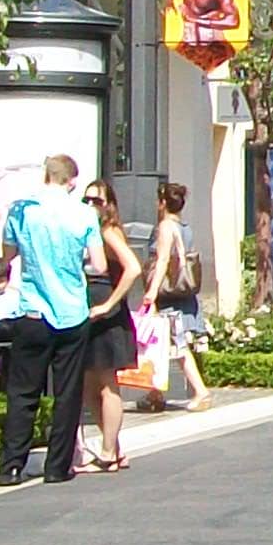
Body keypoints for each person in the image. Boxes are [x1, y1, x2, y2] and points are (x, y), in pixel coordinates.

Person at [0, 154, 99, 486]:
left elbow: (7, 256)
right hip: (72, 311)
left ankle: (11, 466)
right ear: (72, 181)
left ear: (46, 176)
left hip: (33, 309)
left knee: (23, 391)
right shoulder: (84, 213)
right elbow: (99, 264)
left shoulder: (22, 211)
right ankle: (57, 466)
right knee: (67, 392)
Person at [78, 180, 147, 470]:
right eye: (86, 200)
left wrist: (109, 304)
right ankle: (114, 449)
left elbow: (133, 267)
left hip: (106, 314)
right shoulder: (90, 230)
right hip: (91, 314)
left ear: (109, 205)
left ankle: (108, 453)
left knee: (107, 384)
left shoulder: (107, 231)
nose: (91, 205)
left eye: (97, 200)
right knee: (89, 386)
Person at [147, 178, 208, 407]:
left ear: (163, 203)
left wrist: (151, 292)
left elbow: (163, 260)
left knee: (176, 344)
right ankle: (154, 394)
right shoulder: (185, 228)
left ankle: (201, 392)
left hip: (168, 295)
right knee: (162, 343)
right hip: (183, 293)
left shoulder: (165, 227)